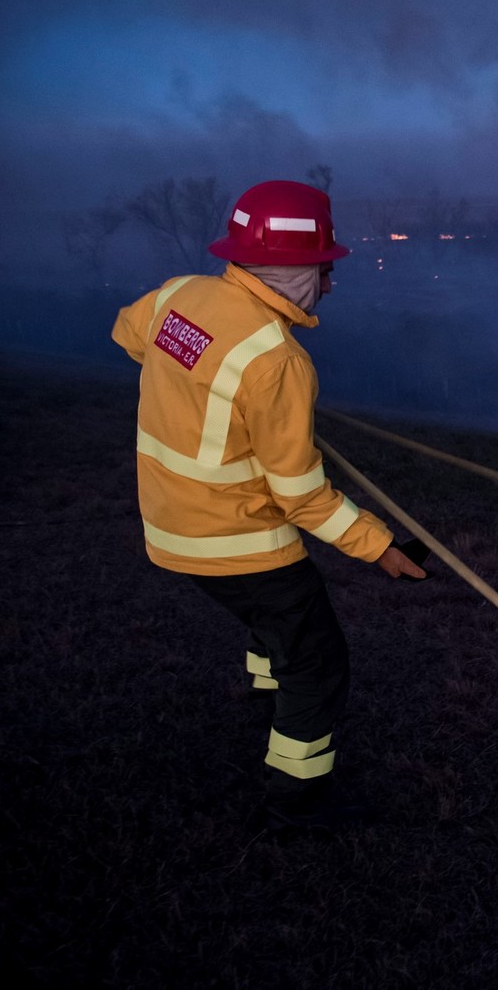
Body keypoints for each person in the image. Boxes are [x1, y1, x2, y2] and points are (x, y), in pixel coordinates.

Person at [111, 180, 427, 831]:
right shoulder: (277, 360)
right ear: (288, 269)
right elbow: (301, 498)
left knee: (273, 624)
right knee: (316, 659)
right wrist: (381, 547)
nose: (330, 286)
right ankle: (297, 795)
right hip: (239, 542)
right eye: (323, 269)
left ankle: (265, 700)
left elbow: (128, 334)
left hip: (169, 528)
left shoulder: (179, 294)